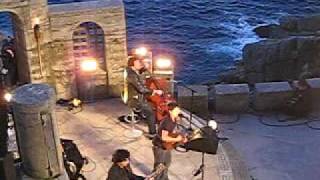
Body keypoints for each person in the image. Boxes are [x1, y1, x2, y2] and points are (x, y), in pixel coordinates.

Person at [126, 55, 163, 138]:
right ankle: (152, 134)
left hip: (138, 97)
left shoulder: (132, 72)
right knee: (151, 113)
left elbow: (142, 86)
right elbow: (141, 89)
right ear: (132, 65)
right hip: (134, 99)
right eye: (138, 63)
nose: (140, 64)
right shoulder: (132, 75)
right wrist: (154, 91)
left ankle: (142, 114)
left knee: (149, 107)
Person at [152, 102, 187, 180]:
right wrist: (176, 139)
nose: (179, 111)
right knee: (159, 167)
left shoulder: (173, 119)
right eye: (177, 110)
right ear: (171, 111)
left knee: (167, 163)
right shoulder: (167, 122)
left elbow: (172, 132)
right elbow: (164, 138)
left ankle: (164, 178)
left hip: (166, 147)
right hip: (160, 147)